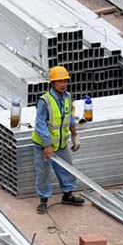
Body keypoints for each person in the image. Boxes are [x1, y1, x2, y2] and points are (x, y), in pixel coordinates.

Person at [32, 66, 85, 214]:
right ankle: (43, 200)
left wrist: (74, 136)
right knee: (43, 173)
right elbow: (40, 124)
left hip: (61, 143)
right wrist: (47, 145)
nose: (63, 84)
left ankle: (67, 195)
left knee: (67, 168)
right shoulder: (45, 101)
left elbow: (69, 118)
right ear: (52, 83)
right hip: (44, 145)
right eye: (59, 81)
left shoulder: (67, 97)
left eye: (65, 81)